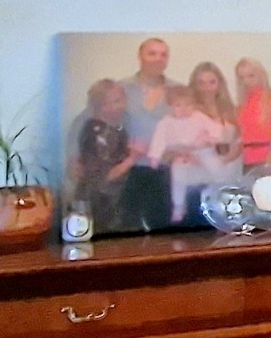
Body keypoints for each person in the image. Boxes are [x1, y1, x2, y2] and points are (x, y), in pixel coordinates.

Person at [148, 72, 236, 226]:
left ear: (194, 105)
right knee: (178, 178)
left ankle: (224, 196)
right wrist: (155, 156)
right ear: (170, 106)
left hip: (202, 150)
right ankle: (179, 205)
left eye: (188, 105)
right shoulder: (166, 122)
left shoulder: (198, 116)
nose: (184, 109)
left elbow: (215, 129)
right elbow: (158, 139)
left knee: (217, 169)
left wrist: (212, 138)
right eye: (178, 105)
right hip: (181, 155)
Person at [67, 78, 140, 233]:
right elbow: (104, 176)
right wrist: (133, 158)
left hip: (114, 201)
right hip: (102, 206)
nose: (121, 105)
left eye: (121, 99)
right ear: (101, 106)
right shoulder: (96, 133)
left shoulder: (121, 123)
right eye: (115, 101)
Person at [119, 39, 176, 229]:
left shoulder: (178, 90)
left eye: (163, 54)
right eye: (152, 53)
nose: (158, 58)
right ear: (140, 56)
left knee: (164, 232)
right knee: (127, 231)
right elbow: (98, 118)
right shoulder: (121, 88)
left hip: (166, 170)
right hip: (127, 170)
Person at [234, 57, 271, 169]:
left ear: (261, 75)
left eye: (251, 76)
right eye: (242, 78)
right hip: (247, 161)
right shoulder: (242, 106)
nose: (246, 81)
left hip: (269, 159)